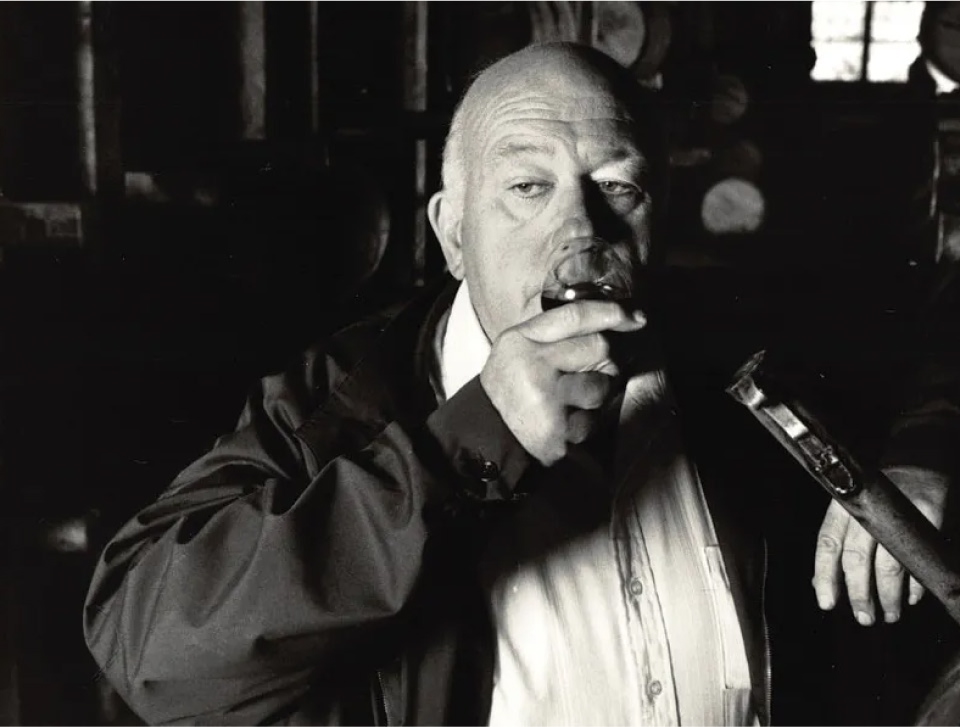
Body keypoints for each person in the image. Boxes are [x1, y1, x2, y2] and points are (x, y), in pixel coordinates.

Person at [83, 42, 954, 726]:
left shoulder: (723, 364)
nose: (580, 225)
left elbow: (936, 340)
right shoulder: (343, 397)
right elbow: (148, 641)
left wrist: (922, 449)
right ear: (452, 234)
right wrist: (466, 443)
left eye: (618, 185)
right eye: (528, 187)